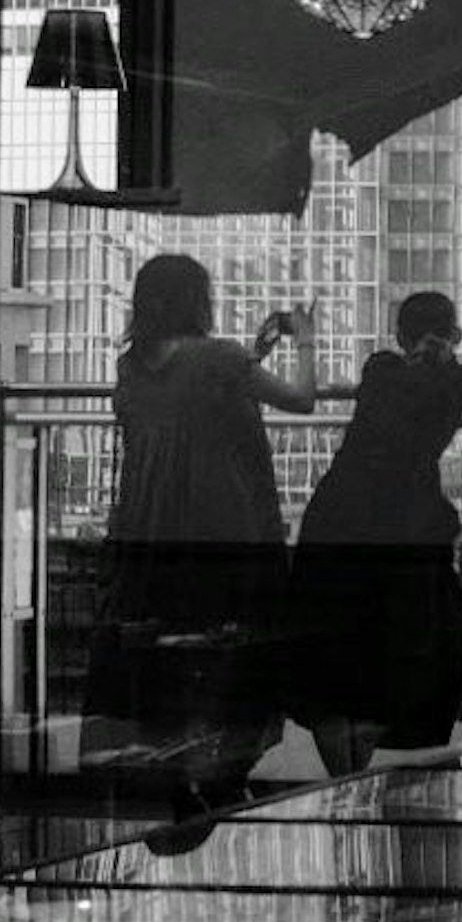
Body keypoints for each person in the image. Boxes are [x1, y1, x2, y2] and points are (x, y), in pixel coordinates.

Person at [88, 254, 313, 811]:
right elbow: (301, 400)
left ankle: (183, 757)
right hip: (226, 533)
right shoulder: (218, 358)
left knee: (172, 656)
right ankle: (222, 759)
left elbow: (185, 410)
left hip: (151, 538)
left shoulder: (132, 366)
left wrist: (253, 357)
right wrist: (305, 339)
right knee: (234, 654)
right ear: (198, 300)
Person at [291, 291, 462, 772]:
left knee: (336, 657)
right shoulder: (460, 376)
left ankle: (343, 777)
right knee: (405, 648)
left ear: (400, 336)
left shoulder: (380, 369)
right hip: (400, 535)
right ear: (453, 335)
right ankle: (358, 769)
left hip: (338, 525)